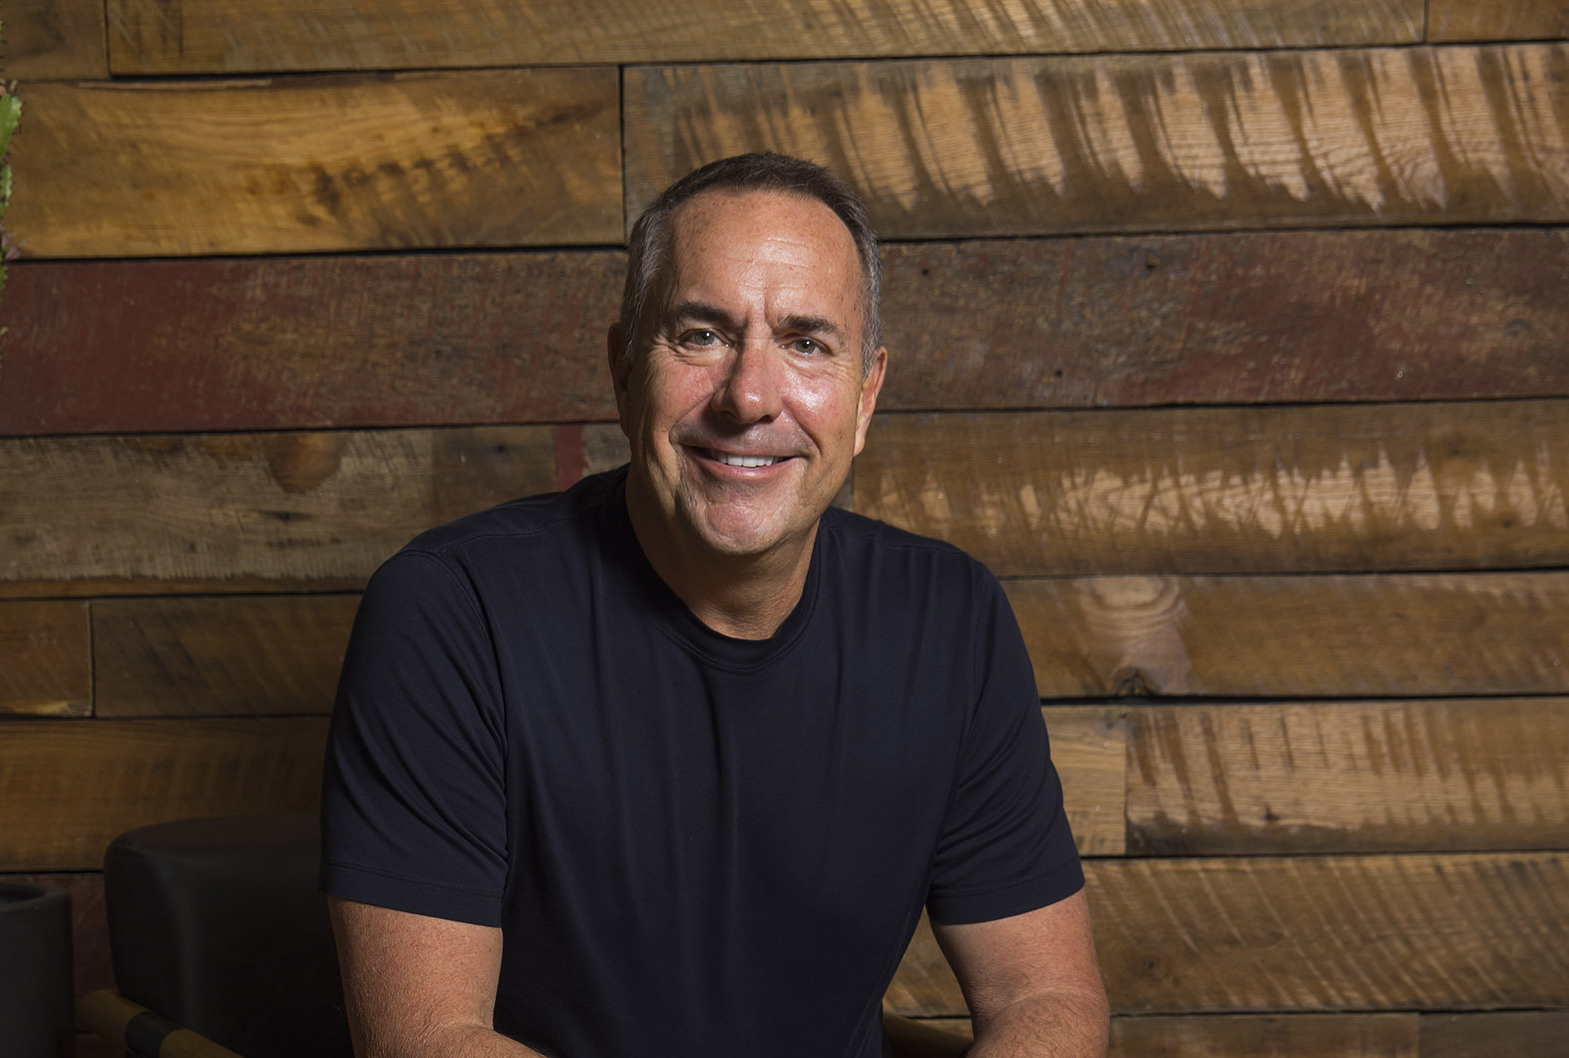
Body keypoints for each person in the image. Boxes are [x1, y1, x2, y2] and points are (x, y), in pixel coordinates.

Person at [321, 153, 1109, 1058]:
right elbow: (428, 1041)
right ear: (623, 372)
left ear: (864, 397)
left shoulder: (949, 621)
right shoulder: (451, 613)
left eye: (806, 343)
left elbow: (1046, 997)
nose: (748, 397)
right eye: (700, 335)